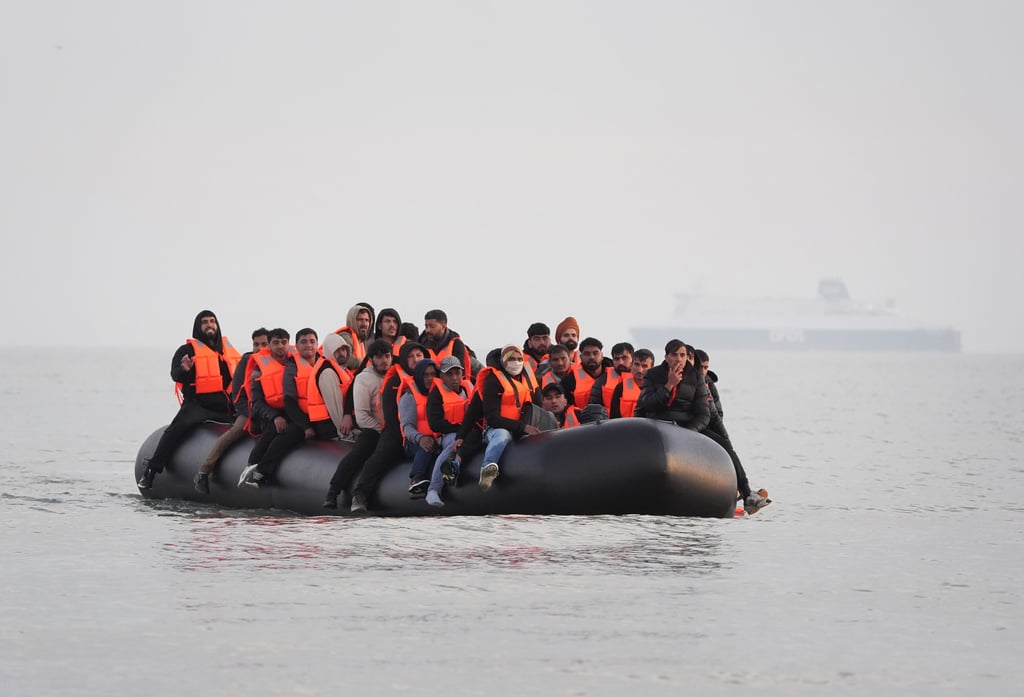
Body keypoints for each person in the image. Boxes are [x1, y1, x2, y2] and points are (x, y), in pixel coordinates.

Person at [138, 310, 241, 489]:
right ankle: (151, 472)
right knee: (175, 430)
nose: (210, 325)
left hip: (226, 407)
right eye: (205, 322)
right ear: (198, 327)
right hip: (198, 405)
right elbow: (175, 374)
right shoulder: (187, 351)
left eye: (212, 321)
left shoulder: (228, 351)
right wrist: (184, 369)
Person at [348, 340, 429, 513]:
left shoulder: (432, 377)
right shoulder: (394, 380)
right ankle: (360, 495)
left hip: (428, 433)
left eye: (419, 355)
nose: (415, 360)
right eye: (411, 357)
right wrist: (410, 437)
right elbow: (392, 416)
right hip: (397, 432)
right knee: (380, 456)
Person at [193, 327, 269, 493]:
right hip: (249, 412)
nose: (259, 348)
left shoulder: (280, 362)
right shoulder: (246, 361)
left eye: (264, 344)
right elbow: (236, 395)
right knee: (234, 433)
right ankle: (203, 471)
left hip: (270, 413)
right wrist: (249, 415)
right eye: (256, 344)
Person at [694, 349, 770, 514]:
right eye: (699, 367)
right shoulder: (687, 382)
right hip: (694, 428)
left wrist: (718, 432)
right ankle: (743, 492)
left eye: (706, 367)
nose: (702, 371)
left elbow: (717, 412)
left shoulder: (709, 384)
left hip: (708, 426)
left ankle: (742, 492)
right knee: (723, 448)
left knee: (726, 448)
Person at [322, 339, 393, 509]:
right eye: (379, 357)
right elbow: (362, 417)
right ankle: (333, 491)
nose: (384, 360)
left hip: (396, 431)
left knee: (383, 454)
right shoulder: (364, 379)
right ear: (371, 359)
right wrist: (384, 432)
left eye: (387, 356)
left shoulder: (396, 375)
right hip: (375, 428)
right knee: (360, 451)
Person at [237, 327, 305, 488]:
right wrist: (274, 416)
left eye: (283, 342)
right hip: (267, 413)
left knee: (295, 431)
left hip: (292, 411)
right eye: (275, 343)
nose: (280, 346)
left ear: (289, 344)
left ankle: (262, 470)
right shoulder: (259, 370)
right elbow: (257, 402)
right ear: (269, 345)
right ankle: (252, 464)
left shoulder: (297, 363)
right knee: (272, 431)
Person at [475, 344, 543, 491]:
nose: (516, 362)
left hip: (525, 428)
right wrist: (522, 427)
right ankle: (487, 468)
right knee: (502, 435)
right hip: (497, 429)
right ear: (503, 360)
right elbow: (492, 417)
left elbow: (539, 404)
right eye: (511, 358)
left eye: (519, 359)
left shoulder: (529, 376)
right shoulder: (493, 380)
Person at [424, 356, 474, 507]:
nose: (454, 378)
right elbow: (435, 424)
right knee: (454, 443)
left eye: (457, 373)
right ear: (442, 376)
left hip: (468, 432)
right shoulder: (436, 394)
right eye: (449, 374)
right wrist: (460, 430)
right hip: (447, 435)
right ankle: (433, 490)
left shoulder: (468, 388)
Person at [636, 339, 710, 431]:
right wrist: (669, 385)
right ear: (666, 357)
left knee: (722, 442)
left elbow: (703, 414)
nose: (678, 359)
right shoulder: (652, 374)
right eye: (674, 355)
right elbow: (647, 405)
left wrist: (689, 432)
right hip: (656, 426)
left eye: (682, 355)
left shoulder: (697, 378)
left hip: (685, 427)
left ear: (686, 357)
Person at [398, 358, 441, 498]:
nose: (430, 378)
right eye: (425, 375)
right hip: (414, 442)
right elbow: (407, 427)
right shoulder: (409, 396)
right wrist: (421, 438)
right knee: (427, 447)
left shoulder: (440, 394)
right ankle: (416, 478)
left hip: (437, 439)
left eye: (433, 374)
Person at [306, 332, 356, 440]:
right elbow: (335, 408)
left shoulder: (341, 369)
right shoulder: (328, 372)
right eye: (337, 350)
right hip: (331, 429)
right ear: (329, 351)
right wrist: (346, 435)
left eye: (344, 349)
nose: (342, 353)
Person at [559, 337, 613, 409]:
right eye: (587, 354)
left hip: (617, 420)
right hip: (585, 419)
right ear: (580, 357)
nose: (591, 357)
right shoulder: (569, 381)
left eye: (595, 353)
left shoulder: (617, 374)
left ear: (602, 356)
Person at [417, 309, 472, 375]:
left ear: (443, 326)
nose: (428, 330)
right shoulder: (420, 344)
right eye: (426, 326)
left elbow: (459, 372)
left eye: (432, 326)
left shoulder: (456, 344)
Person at [588, 341, 634, 412]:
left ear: (633, 359)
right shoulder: (602, 381)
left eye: (624, 358)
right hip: (610, 422)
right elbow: (594, 408)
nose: (620, 362)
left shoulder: (641, 379)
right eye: (616, 359)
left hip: (637, 422)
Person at [609, 348, 655, 419]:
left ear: (652, 368)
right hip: (624, 428)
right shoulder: (620, 388)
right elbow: (613, 418)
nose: (640, 370)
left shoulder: (657, 389)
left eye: (644, 366)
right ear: (631, 366)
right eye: (636, 365)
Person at [333, 303, 374, 369]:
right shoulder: (345, 336)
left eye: (367, 320)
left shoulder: (360, 342)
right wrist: (367, 365)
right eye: (360, 320)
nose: (364, 324)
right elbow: (346, 358)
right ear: (352, 321)